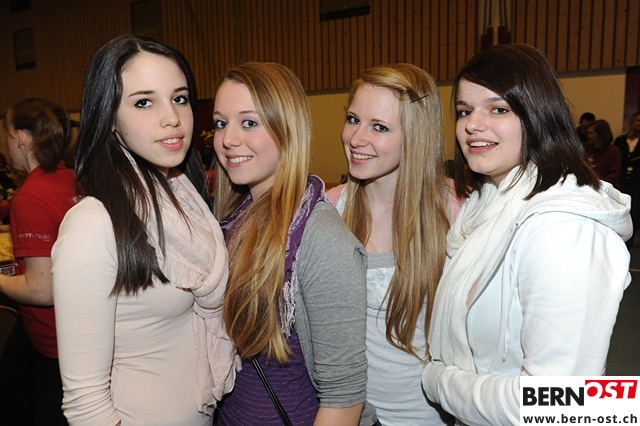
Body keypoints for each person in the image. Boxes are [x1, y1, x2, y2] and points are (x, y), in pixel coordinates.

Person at [422, 44, 632, 425]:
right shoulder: (485, 204)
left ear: (537, 115)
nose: (472, 124)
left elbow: (559, 404)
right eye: (465, 111)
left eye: (498, 109)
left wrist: (440, 381)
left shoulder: (562, 229)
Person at [51, 35, 237, 425]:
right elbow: (85, 401)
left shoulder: (183, 196)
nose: (172, 117)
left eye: (180, 98)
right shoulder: (93, 224)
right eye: (143, 102)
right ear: (109, 119)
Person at [211, 62, 376, 426]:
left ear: (287, 129)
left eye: (249, 123)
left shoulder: (322, 240)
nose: (228, 139)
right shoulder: (230, 221)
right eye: (221, 123)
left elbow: (343, 398)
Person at [325, 63, 459, 425]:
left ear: (416, 135)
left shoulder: (454, 210)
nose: (356, 138)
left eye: (379, 127)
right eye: (353, 119)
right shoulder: (331, 209)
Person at [0, 97, 75, 425]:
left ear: (20, 137)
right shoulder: (73, 177)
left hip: (53, 347)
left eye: (7, 134)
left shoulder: (30, 196)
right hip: (78, 333)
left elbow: (42, 290)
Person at [614, 111, 640, 245]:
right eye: (638, 121)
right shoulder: (621, 140)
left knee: (635, 210)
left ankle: (631, 238)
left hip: (637, 180)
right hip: (622, 179)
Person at [584, 119, 621, 187]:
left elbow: (613, 175)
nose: (588, 136)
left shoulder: (613, 151)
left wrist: (599, 184)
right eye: (587, 133)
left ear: (601, 134)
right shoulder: (587, 149)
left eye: (591, 133)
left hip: (604, 187)